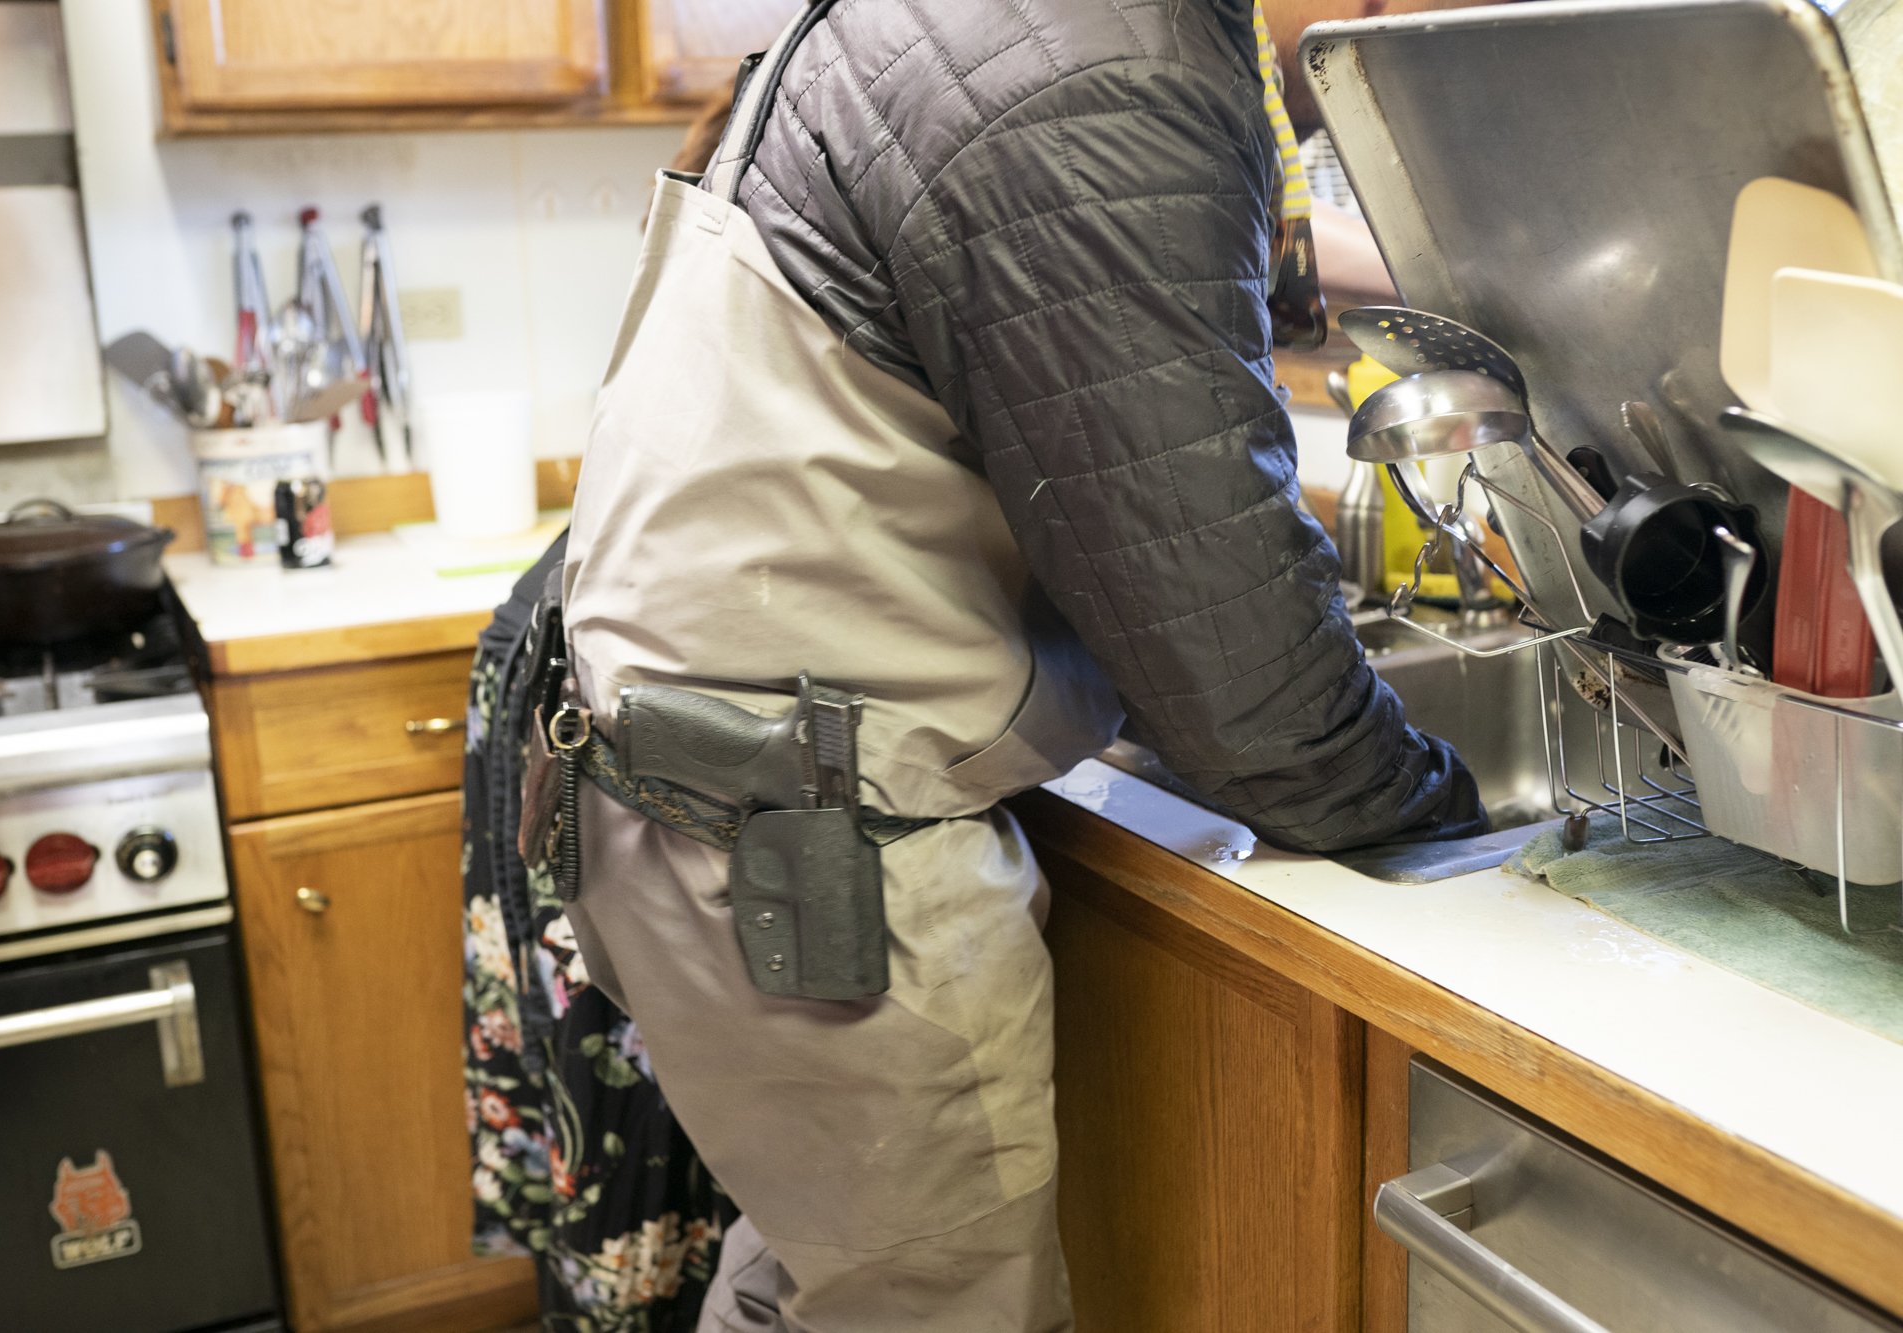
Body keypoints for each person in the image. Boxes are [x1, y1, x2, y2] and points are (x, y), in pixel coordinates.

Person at [546, 3, 1488, 1329]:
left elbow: (1155, 270)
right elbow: (1241, 674)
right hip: (811, 835)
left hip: (722, 780)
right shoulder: (1104, 66)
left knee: (824, 1281)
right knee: (933, 1308)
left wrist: (1453, 270)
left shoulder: (1035, 27)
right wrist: (1450, 814)